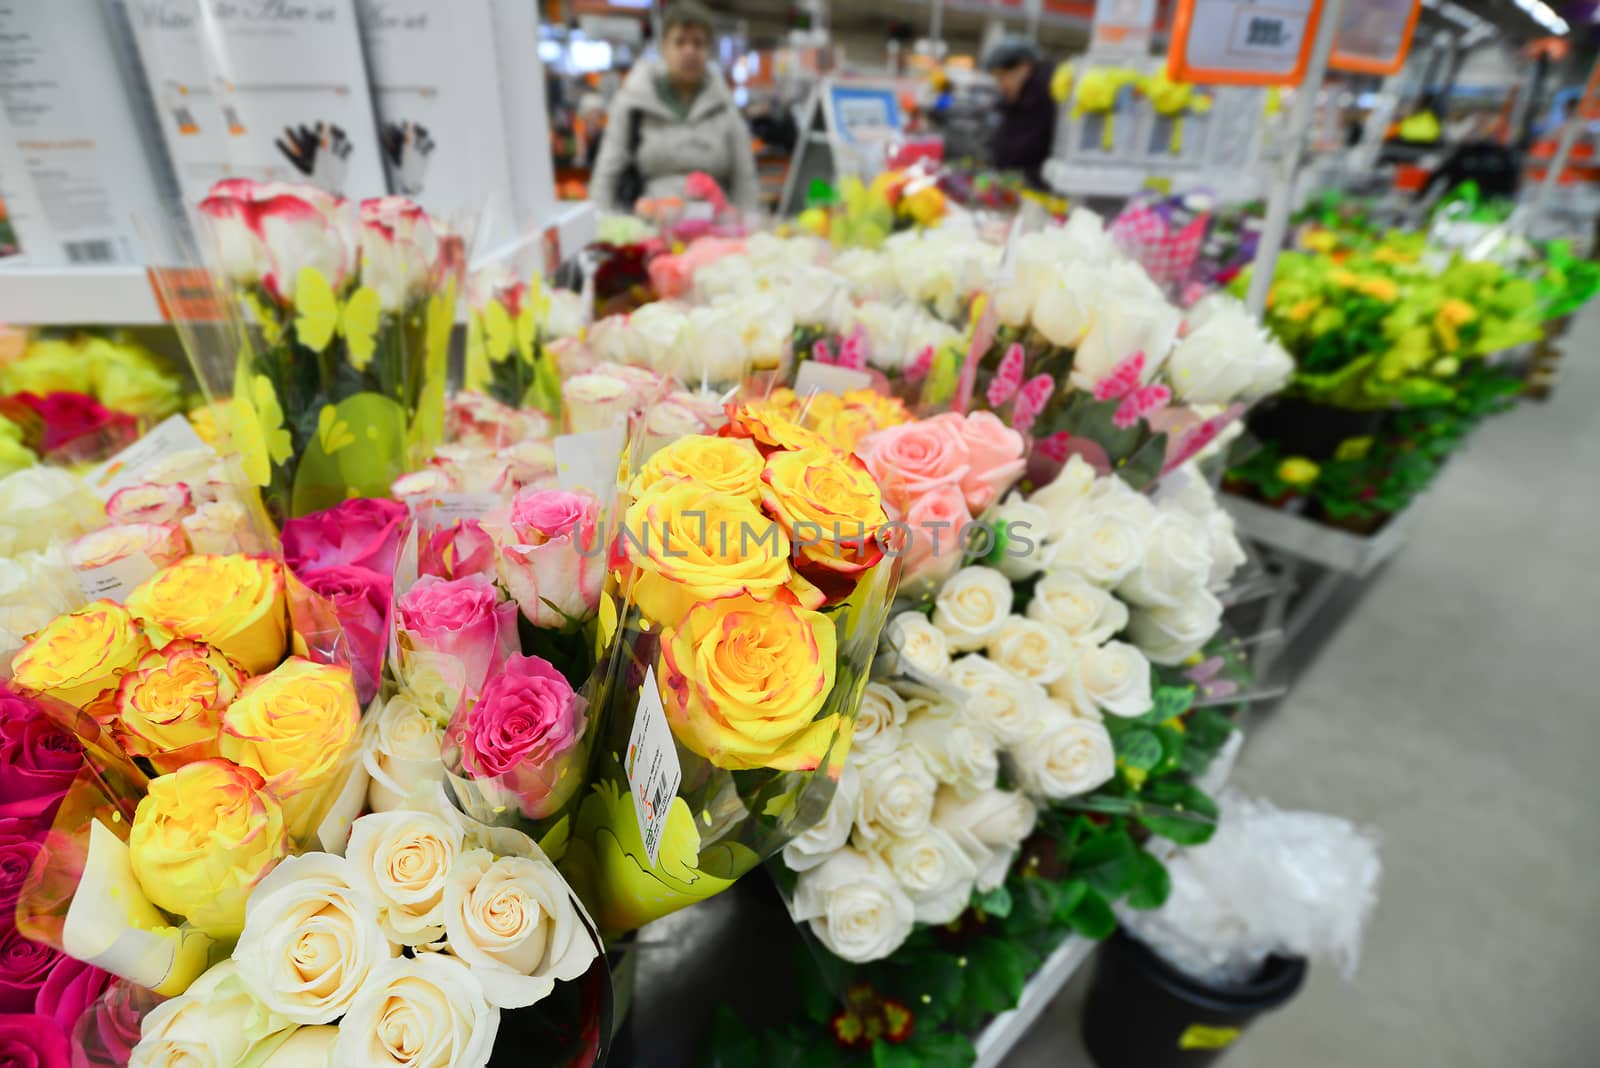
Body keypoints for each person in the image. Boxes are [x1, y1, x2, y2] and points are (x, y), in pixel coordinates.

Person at [590, 2, 759, 214]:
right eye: (680, 42)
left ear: (708, 50)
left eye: (698, 43)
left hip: (716, 236)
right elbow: (607, 174)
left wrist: (749, 230)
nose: (689, 51)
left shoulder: (726, 107)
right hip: (648, 234)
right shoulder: (634, 104)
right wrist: (600, 230)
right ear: (664, 48)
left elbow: (745, 180)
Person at [984, 39, 1057, 190]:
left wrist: (1018, 178)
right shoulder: (1016, 99)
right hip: (1014, 189)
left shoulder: (1047, 97)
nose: (1000, 83)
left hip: (1038, 194)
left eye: (1003, 75)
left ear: (1025, 67)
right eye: (997, 77)